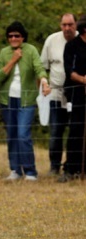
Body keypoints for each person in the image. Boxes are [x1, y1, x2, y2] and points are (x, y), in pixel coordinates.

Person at [0, 21, 49, 182]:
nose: (13, 38)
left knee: (23, 134)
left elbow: (39, 68)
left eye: (17, 35)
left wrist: (44, 81)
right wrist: (13, 60)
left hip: (27, 100)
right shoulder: (4, 53)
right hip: (7, 100)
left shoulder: (31, 50)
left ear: (23, 37)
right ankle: (15, 169)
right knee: (12, 135)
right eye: (10, 36)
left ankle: (30, 171)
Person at [41, 14, 77, 175]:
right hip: (55, 94)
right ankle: (54, 166)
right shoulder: (51, 40)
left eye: (70, 25)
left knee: (75, 132)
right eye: (64, 25)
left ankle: (73, 165)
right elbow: (42, 67)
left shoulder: (81, 40)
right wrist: (44, 83)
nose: (67, 28)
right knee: (56, 131)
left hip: (76, 95)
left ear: (76, 25)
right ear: (60, 25)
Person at [62, 15, 86, 181]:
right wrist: (85, 80)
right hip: (77, 94)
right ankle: (72, 168)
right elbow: (70, 72)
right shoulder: (72, 46)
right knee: (76, 130)